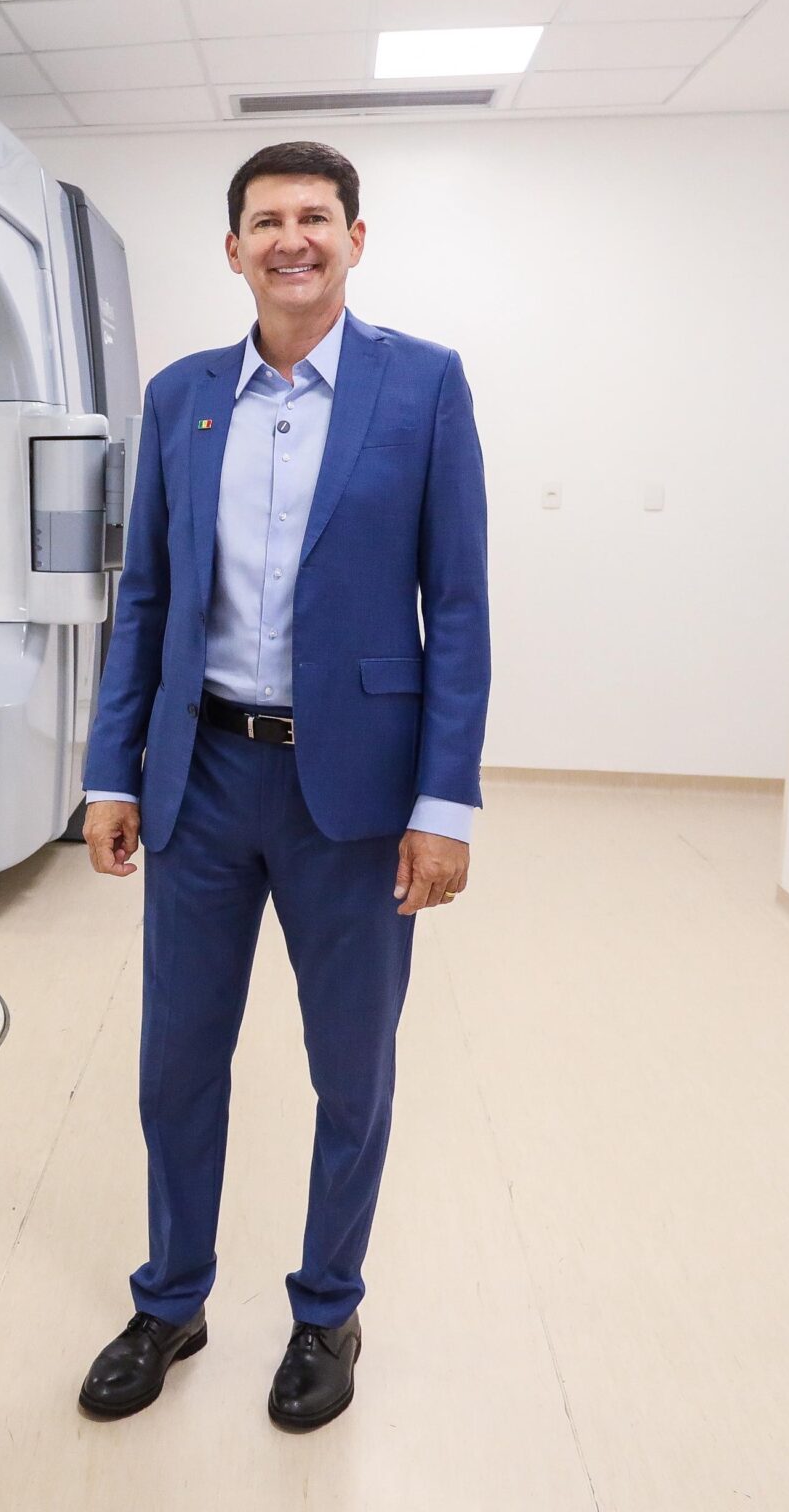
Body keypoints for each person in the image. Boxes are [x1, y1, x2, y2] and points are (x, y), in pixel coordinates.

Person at [75, 141, 490, 1431]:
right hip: (202, 780)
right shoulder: (183, 396)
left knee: (350, 1072)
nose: (291, 239)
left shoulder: (423, 385)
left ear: (355, 240)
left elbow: (458, 608)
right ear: (234, 249)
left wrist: (444, 805)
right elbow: (145, 600)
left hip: (353, 796)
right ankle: (171, 1298)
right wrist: (110, 770)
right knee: (176, 1063)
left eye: (316, 217)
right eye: (267, 221)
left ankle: (327, 1311)